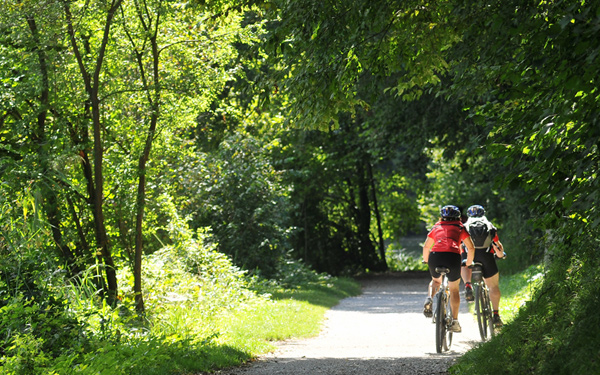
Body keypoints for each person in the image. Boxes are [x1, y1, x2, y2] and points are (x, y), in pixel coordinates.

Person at [422, 205, 475, 333]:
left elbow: (426, 247)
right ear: (458, 217)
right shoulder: (460, 227)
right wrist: (468, 263)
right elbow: (471, 247)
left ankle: (429, 298)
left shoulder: (436, 227)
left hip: (435, 256)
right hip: (452, 256)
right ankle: (455, 322)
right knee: (454, 288)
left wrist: (426, 260)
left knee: (435, 281)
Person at [460, 205, 506, 327]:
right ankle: (496, 315)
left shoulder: (464, 227)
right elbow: (497, 246)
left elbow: (461, 247)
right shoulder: (489, 226)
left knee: (463, 262)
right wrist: (501, 255)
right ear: (483, 214)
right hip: (486, 257)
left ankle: (468, 285)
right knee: (493, 287)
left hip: (470, 256)